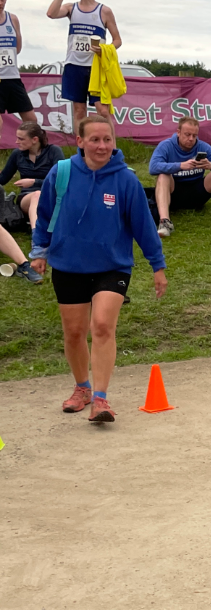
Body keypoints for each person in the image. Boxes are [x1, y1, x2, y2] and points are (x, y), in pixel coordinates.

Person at [30, 114, 166, 423]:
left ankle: (101, 399)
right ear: (80, 141)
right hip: (68, 265)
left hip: (112, 266)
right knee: (74, 332)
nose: (102, 146)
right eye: (95, 139)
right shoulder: (61, 173)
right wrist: (39, 252)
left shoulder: (126, 180)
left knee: (102, 326)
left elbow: (144, 226)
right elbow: (45, 215)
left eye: (107, 139)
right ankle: (82, 389)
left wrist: (157, 266)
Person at [149, 117, 211, 235]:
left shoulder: (202, 146)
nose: (191, 139)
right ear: (178, 132)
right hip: (174, 193)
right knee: (163, 176)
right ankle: (165, 222)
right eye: (187, 134)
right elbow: (153, 167)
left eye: (194, 135)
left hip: (197, 193)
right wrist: (180, 165)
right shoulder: (166, 145)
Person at [46, 0, 122, 127]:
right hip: (74, 65)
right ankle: (81, 143)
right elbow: (51, 14)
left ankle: (110, 142)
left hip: (96, 68)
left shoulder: (104, 11)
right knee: (79, 111)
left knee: (103, 111)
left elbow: (117, 40)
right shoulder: (71, 8)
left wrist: (104, 50)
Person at [0, 120, 63, 230]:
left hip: (51, 194)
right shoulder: (17, 154)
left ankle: (41, 225)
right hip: (27, 197)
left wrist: (34, 182)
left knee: (40, 195)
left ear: (35, 140)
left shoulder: (54, 151)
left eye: (21, 139)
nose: (16, 142)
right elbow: (3, 179)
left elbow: (60, 180)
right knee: (36, 195)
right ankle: (36, 232)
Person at [0, 0, 38, 124]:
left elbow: (17, 48)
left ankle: (30, 139)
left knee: (31, 120)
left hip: (12, 77)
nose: (0, 3)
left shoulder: (13, 19)